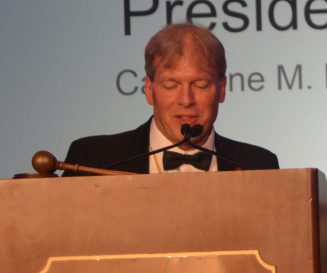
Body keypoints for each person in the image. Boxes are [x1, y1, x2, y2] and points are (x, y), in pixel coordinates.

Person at [63, 23, 278, 175]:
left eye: (200, 85)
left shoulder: (258, 165)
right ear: (149, 90)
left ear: (221, 89)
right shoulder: (93, 161)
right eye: (171, 85)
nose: (186, 100)